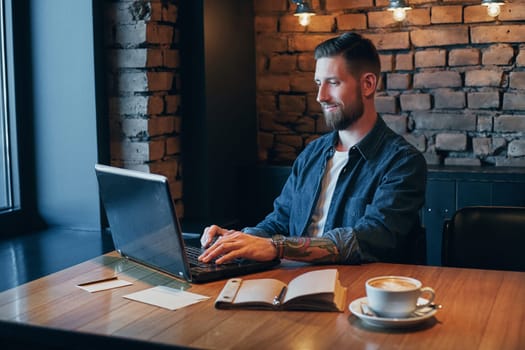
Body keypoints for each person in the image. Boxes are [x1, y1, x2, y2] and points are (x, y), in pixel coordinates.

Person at [199, 32, 427, 265]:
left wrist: (277, 247)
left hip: (358, 289)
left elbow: (370, 237)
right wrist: (239, 240)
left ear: (367, 84)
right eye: (319, 83)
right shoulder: (312, 154)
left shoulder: (402, 162)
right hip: (294, 279)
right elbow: (280, 221)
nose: (321, 96)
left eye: (333, 83)